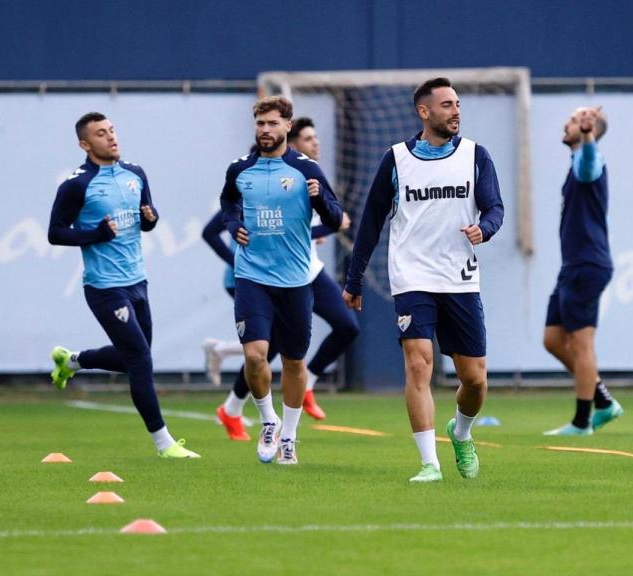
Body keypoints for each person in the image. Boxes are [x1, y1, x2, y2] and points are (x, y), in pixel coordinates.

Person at [342, 77, 505, 483]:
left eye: (458, 104)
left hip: (460, 279)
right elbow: (371, 222)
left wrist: (484, 229)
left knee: (475, 378)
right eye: (447, 105)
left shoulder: (475, 156)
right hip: (411, 276)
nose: (456, 111)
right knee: (418, 365)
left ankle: (461, 432)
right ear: (424, 111)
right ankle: (429, 462)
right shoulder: (396, 159)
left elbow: (495, 207)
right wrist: (354, 278)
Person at [47, 112, 200, 458]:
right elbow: (55, 232)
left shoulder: (135, 174)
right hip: (104, 287)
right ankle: (165, 444)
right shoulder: (77, 185)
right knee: (141, 359)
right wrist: (95, 235)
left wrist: (152, 219)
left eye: (112, 130)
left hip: (138, 282)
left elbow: (146, 219)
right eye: (101, 134)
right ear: (85, 144)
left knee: (135, 357)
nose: (111, 137)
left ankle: (72, 361)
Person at [208, 119, 359, 441]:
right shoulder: (253, 173)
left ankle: (302, 386)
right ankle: (240, 408)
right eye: (308, 138)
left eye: (316, 138)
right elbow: (224, 215)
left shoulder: (308, 173)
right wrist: (236, 237)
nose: (315, 144)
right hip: (255, 273)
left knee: (344, 327)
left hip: (303, 270)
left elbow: (332, 218)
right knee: (263, 348)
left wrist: (319, 228)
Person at [542, 106, 623, 436]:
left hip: (587, 266)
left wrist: (588, 137)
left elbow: (590, 163)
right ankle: (603, 400)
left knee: (582, 344)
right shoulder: (575, 162)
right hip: (573, 267)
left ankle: (581, 422)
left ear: (589, 130)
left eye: (575, 121)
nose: (567, 122)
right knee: (553, 339)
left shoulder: (588, 160)